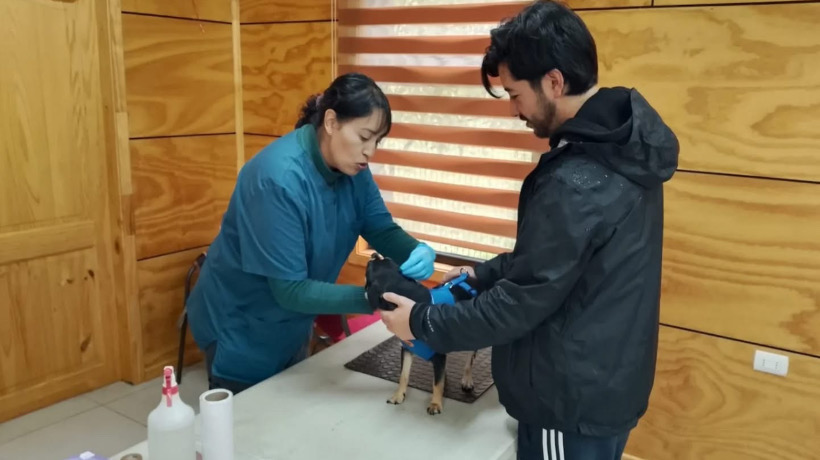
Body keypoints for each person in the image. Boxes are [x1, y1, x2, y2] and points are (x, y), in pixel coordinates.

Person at [379, 1, 679, 459]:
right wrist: (484, 274)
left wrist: (421, 322)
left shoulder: (575, 180)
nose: (514, 110)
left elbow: (520, 304)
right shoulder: (622, 147)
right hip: (607, 384)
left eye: (515, 93)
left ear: (554, 82)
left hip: (568, 402)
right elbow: (562, 263)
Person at [186, 73, 436, 394]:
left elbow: (378, 227)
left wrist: (416, 250)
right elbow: (290, 290)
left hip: (292, 322)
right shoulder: (276, 180)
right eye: (364, 137)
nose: (371, 151)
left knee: (289, 407)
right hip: (241, 325)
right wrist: (373, 298)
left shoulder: (352, 167)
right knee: (250, 416)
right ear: (331, 122)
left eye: (378, 141)